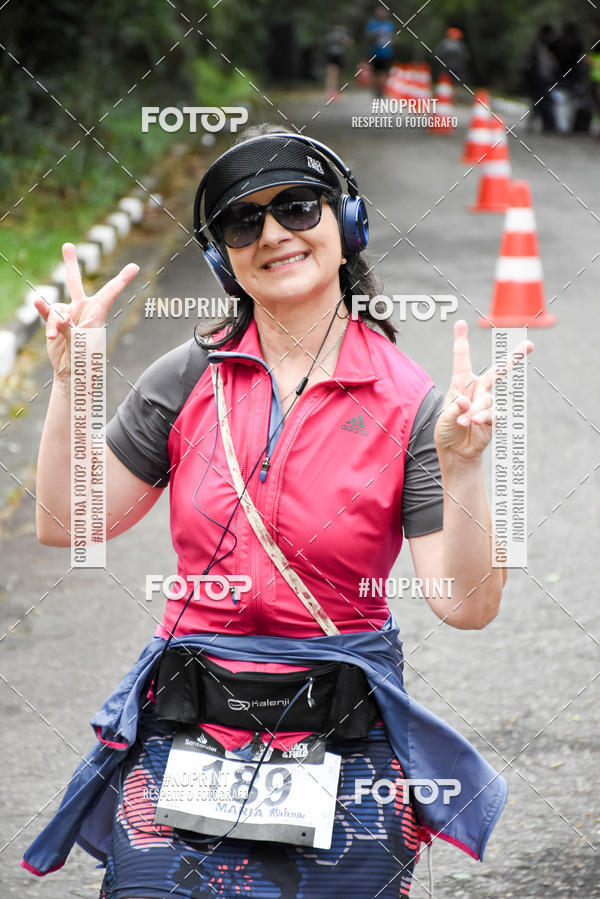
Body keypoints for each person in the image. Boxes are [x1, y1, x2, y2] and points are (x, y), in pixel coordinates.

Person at [25, 125, 531, 897]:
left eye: (298, 206)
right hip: (185, 727)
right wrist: (73, 379)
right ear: (221, 256)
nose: (273, 233)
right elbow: (69, 520)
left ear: (345, 223)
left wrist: (462, 464)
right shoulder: (187, 376)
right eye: (242, 220)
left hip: (345, 739)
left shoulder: (410, 402)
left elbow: (466, 605)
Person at [523, 23, 560, 132]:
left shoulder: (540, 45)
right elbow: (545, 66)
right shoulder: (542, 47)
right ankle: (546, 124)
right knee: (542, 101)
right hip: (540, 78)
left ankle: (542, 124)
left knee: (538, 101)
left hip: (539, 79)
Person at [365, 7, 395, 97]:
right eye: (380, 12)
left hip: (386, 53)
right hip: (375, 52)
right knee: (374, 72)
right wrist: (375, 33)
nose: (381, 14)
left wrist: (391, 40)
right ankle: (376, 89)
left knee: (384, 72)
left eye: (383, 12)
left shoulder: (389, 25)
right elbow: (367, 35)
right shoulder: (372, 24)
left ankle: (381, 89)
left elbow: (393, 37)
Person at [322, 23, 352, 101]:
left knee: (336, 75)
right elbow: (324, 42)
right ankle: (329, 92)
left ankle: (334, 92)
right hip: (331, 57)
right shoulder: (330, 37)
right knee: (332, 74)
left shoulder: (342, 37)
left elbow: (349, 43)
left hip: (339, 57)